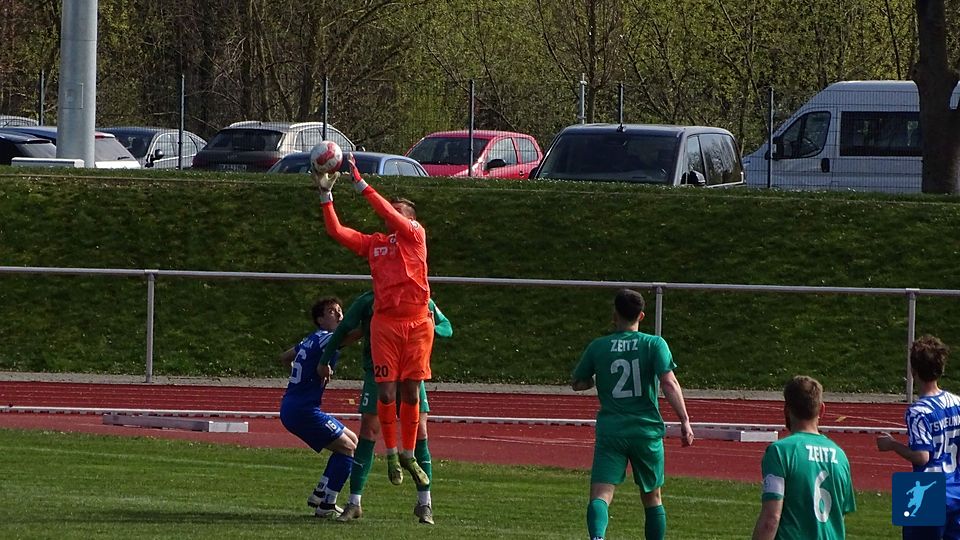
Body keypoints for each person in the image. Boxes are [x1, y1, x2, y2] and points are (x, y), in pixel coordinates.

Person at [313, 155, 433, 490]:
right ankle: (393, 454)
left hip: (417, 323)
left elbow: (388, 214)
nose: (392, 214)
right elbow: (337, 231)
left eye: (399, 211)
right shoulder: (377, 245)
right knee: (387, 391)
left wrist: (361, 183)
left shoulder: (416, 236)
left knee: (411, 392)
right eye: (392, 209)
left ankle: (408, 453)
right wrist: (326, 195)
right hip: (386, 324)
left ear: (411, 219)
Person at [318, 290, 453, 524]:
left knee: (420, 433)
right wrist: (325, 359)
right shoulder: (368, 300)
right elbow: (343, 329)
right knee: (369, 432)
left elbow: (447, 327)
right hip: (378, 372)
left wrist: (431, 327)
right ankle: (354, 503)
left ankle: (425, 504)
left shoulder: (420, 299)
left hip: (411, 372)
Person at [571, 288, 694, 540]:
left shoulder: (599, 347)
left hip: (612, 431)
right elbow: (669, 382)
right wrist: (684, 419)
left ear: (614, 315)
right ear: (641, 316)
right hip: (645, 431)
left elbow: (578, 382)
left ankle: (597, 537)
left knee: (600, 494)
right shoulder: (654, 344)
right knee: (652, 497)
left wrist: (593, 381)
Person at [277, 296, 359, 519]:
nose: (339, 314)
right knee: (348, 449)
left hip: (294, 406)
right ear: (320, 320)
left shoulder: (311, 338)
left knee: (352, 440)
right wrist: (371, 321)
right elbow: (351, 337)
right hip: (303, 410)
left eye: (340, 310)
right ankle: (327, 504)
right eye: (332, 311)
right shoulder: (327, 338)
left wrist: (304, 374)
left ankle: (320, 492)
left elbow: (284, 357)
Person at [752, 375, 856, 540]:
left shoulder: (780, 451)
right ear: (822, 409)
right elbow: (839, 517)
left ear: (786, 409)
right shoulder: (840, 456)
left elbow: (771, 520)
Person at [877, 335, 960, 539]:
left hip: (928, 489)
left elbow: (922, 456)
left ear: (913, 371)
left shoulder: (918, 411)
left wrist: (892, 444)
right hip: (956, 487)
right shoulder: (957, 402)